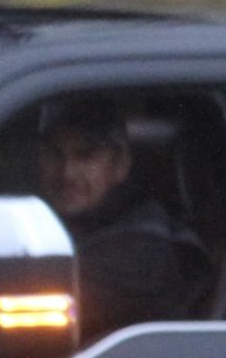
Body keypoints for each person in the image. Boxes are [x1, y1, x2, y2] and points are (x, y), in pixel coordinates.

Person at [36, 97, 201, 341]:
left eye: (85, 155)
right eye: (54, 154)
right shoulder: (73, 226)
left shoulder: (142, 250)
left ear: (120, 163)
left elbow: (36, 301)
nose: (67, 172)